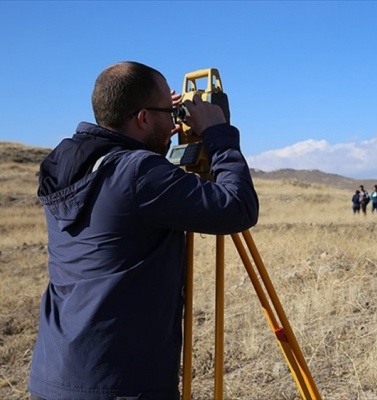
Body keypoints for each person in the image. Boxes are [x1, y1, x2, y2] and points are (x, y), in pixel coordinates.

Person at [29, 61, 259, 400]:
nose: (175, 121)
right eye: (170, 111)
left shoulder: (69, 165)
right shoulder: (137, 172)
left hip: (55, 375)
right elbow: (237, 207)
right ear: (143, 118)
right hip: (120, 384)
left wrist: (161, 111)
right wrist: (216, 132)